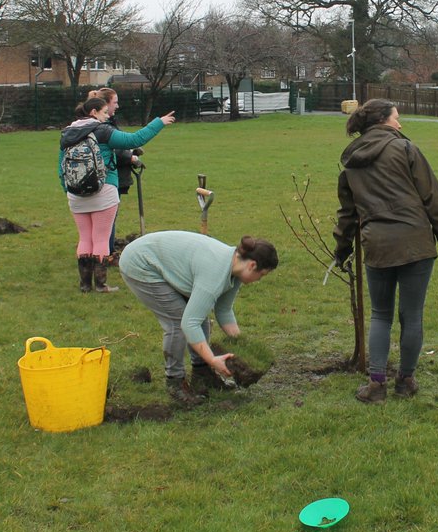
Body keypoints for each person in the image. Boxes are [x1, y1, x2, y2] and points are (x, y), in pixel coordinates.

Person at [333, 98, 438, 404]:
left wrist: (342, 247)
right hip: (415, 242)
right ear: (383, 121)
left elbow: (347, 213)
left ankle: (376, 385)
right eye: (396, 118)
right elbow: (432, 196)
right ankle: (405, 381)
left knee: (381, 315)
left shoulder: (350, 161)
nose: (400, 124)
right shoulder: (405, 149)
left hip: (377, 246)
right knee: (411, 315)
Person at [118, 230, 279, 404]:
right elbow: (189, 323)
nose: (259, 280)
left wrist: (243, 346)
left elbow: (223, 311)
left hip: (164, 260)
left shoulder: (234, 270)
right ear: (252, 265)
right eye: (261, 275)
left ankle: (202, 374)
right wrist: (212, 359)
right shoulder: (215, 272)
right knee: (178, 322)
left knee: (199, 314)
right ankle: (175, 384)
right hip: (141, 262)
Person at [58, 97, 175, 293]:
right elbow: (134, 140)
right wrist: (159, 122)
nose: (107, 117)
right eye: (104, 112)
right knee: (101, 239)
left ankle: (85, 285)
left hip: (76, 194)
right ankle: (101, 285)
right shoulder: (102, 131)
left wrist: (68, 191)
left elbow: (61, 168)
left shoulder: (67, 133)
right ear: (94, 112)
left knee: (85, 238)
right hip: (104, 191)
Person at [88, 87, 140, 255]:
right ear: (106, 104)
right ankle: (106, 253)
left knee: (101, 219)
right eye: (115, 102)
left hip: (104, 176)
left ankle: (96, 252)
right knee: (107, 218)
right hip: (109, 176)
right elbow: (114, 148)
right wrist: (130, 156)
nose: (117, 106)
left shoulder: (103, 122)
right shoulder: (103, 125)